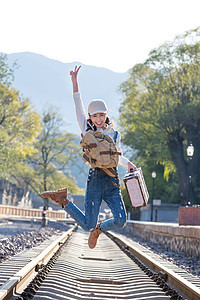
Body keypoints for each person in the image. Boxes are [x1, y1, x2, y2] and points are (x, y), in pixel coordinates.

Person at [41, 66, 136, 249]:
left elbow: (117, 157)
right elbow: (78, 106)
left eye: (102, 115)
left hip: (112, 180)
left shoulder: (115, 134)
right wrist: (75, 82)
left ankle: (99, 230)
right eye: (95, 116)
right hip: (95, 180)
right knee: (86, 225)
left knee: (121, 220)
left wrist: (129, 163)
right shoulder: (87, 130)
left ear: (106, 114)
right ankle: (63, 200)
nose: (99, 119)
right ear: (91, 117)